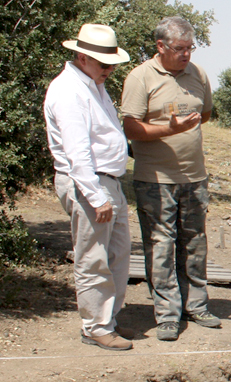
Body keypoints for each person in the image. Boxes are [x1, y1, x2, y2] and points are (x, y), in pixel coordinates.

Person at [121, 16, 219, 342]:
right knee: (161, 246)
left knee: (195, 243)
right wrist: (169, 130)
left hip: (195, 177)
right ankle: (166, 314)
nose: (187, 54)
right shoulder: (140, 77)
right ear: (160, 46)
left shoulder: (198, 74)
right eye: (180, 48)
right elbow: (131, 129)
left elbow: (204, 113)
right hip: (155, 179)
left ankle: (197, 305)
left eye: (190, 48)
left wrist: (184, 130)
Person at [43, 24, 133, 351]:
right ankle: (96, 326)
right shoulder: (69, 90)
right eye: (103, 64)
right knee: (94, 257)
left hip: (108, 181)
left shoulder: (92, 84)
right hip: (90, 182)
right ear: (82, 57)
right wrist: (95, 196)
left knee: (118, 253)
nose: (109, 70)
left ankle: (107, 319)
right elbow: (76, 151)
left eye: (111, 64)